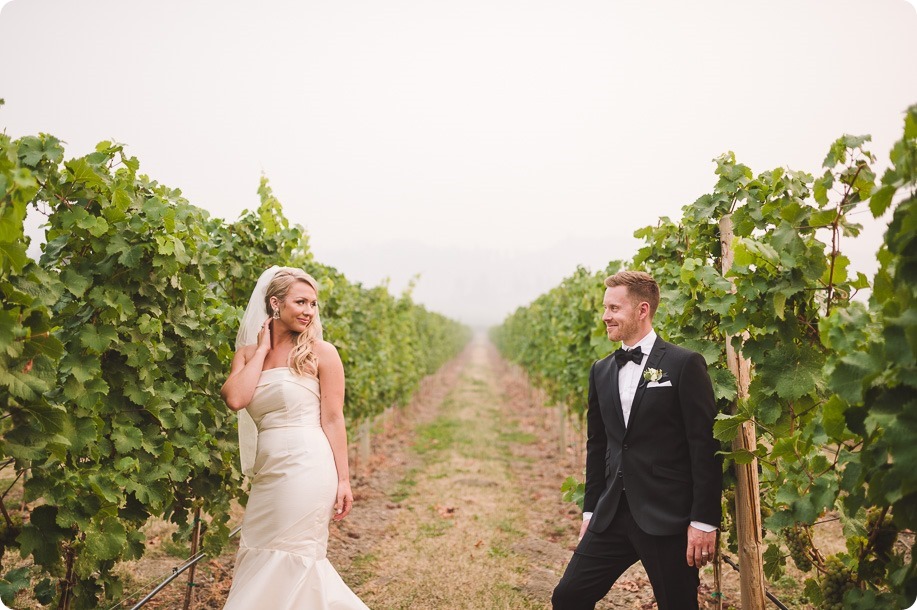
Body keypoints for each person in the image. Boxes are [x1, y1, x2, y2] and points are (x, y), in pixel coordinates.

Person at [552, 271, 722, 610]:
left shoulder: (683, 364)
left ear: (642, 310)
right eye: (605, 307)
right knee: (568, 597)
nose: (605, 316)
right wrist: (589, 511)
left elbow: (704, 446)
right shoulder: (601, 370)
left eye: (614, 308)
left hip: (667, 516)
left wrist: (703, 521)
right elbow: (597, 446)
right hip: (612, 513)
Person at [220, 266, 369, 610]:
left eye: (313, 304)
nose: (309, 311)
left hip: (308, 465)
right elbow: (235, 398)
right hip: (269, 470)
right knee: (259, 549)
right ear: (275, 303)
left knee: (295, 554)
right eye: (300, 301)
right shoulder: (246, 354)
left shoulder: (321, 352)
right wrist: (260, 351)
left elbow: (333, 419)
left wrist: (344, 479)